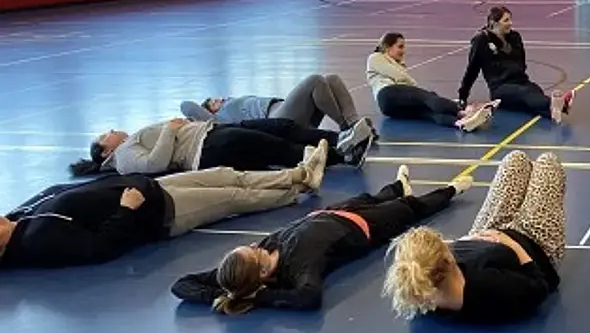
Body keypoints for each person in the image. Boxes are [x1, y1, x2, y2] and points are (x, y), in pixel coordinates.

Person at [170, 166, 470, 314]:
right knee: (408, 209)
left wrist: (228, 296)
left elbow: (181, 284)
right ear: (262, 274)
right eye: (252, 253)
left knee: (369, 196)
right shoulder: (299, 267)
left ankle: (398, 185)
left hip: (329, 213)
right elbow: (309, 297)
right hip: (365, 228)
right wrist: (256, 298)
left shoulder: (240, 269)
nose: (253, 246)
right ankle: (452, 190)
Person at [1, 143, 327, 269]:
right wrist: (127, 209)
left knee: (225, 175)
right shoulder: (37, 240)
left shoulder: (22, 216)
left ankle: (299, 172)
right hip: (157, 213)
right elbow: (97, 248)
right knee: (233, 197)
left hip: (151, 187)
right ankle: (298, 187)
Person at [382, 150, 567, 324]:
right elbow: (540, 286)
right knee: (547, 163)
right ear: (448, 260)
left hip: (488, 231)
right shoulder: (487, 287)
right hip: (534, 242)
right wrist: (511, 244)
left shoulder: (424, 281)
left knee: (515, 160)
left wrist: (472, 239)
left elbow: (446, 256)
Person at [70, 116, 369, 177]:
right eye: (103, 137)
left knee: (280, 126)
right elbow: (154, 165)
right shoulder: (122, 159)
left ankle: (338, 140)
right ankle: (344, 156)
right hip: (208, 149)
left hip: (213, 131)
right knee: (279, 148)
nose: (108, 131)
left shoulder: (127, 143)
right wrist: (170, 131)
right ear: (106, 152)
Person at [179, 74, 373, 144]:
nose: (219, 99)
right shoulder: (221, 120)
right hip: (275, 120)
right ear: (209, 111)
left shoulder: (233, 101)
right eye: (213, 102)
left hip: (284, 109)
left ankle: (354, 122)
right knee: (315, 81)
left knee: (331, 78)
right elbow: (186, 106)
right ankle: (347, 129)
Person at [458, 7, 573, 124]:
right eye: (506, 20)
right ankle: (558, 103)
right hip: (500, 88)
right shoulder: (481, 41)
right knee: (524, 93)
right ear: (494, 23)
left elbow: (522, 62)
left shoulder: (515, 37)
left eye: (510, 19)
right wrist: (463, 96)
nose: (510, 23)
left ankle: (553, 113)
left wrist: (518, 75)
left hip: (521, 81)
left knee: (534, 91)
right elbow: (472, 70)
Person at [367, 32, 494, 132]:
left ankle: (460, 123)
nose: (403, 50)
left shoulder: (398, 64)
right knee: (427, 97)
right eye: (400, 46)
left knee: (428, 112)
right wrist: (419, 90)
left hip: (390, 109)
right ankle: (464, 111)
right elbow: (399, 77)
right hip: (387, 93)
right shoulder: (376, 57)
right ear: (387, 48)